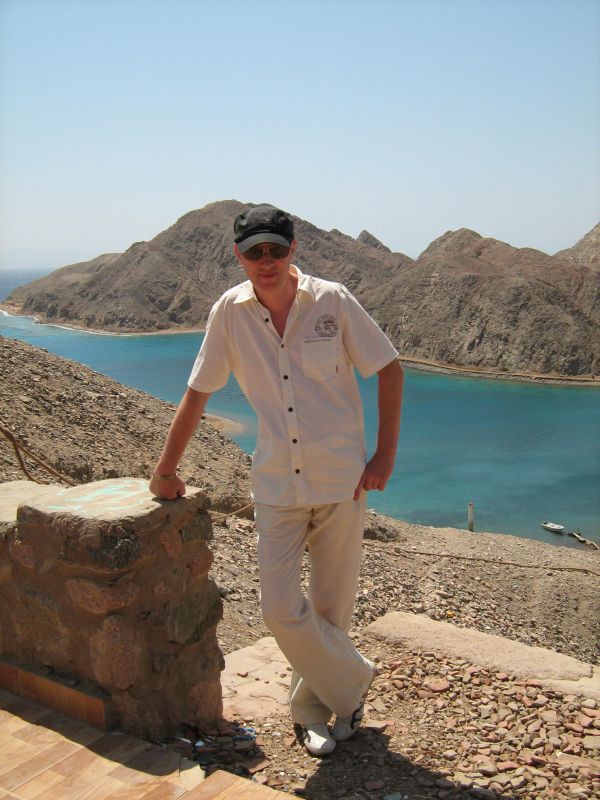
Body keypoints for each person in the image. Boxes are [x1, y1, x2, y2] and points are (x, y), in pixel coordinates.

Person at [149, 204, 403, 756]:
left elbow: (388, 367)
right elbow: (198, 392)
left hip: (341, 482)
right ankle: (354, 681)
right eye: (254, 252)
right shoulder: (230, 313)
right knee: (280, 609)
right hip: (276, 485)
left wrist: (384, 456)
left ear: (293, 251)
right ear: (238, 255)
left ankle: (315, 712)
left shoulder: (332, 300)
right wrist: (165, 470)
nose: (266, 261)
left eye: (276, 250)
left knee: (331, 609)